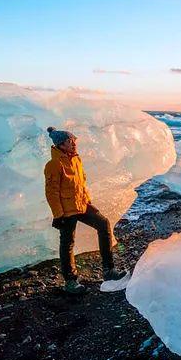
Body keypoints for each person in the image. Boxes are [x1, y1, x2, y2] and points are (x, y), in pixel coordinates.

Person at [44, 126, 126, 294]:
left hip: (81, 205)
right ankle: (71, 282)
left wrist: (87, 200)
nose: (74, 144)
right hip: (67, 210)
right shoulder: (54, 164)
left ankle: (108, 270)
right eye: (69, 141)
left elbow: (81, 183)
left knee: (103, 224)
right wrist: (58, 215)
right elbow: (51, 192)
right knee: (67, 243)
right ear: (61, 145)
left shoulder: (76, 159)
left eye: (74, 141)